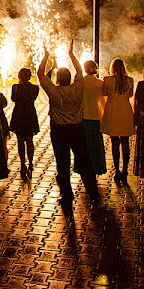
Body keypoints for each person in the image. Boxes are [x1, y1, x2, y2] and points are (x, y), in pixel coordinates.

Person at [37, 46, 100, 206]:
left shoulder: (53, 91)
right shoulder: (77, 88)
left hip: (59, 130)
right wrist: (72, 54)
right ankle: (93, 191)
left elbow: (40, 75)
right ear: (69, 77)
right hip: (77, 129)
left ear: (57, 79)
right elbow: (79, 71)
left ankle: (67, 195)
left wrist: (45, 56)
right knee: (84, 160)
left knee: (62, 162)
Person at [101, 58, 135, 184]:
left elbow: (104, 93)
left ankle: (117, 170)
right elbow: (130, 95)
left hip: (113, 110)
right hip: (125, 111)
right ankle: (125, 169)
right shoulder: (130, 80)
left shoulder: (108, 80)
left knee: (115, 143)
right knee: (125, 142)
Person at [9, 68, 39, 181]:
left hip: (19, 114)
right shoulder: (35, 88)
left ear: (19, 76)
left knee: (20, 140)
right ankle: (31, 162)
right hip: (30, 114)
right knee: (29, 140)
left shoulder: (15, 87)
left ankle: (22, 163)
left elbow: (13, 99)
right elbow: (33, 98)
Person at [79, 60, 107, 179]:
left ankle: (82, 167)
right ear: (92, 69)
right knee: (95, 144)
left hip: (83, 115)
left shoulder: (81, 82)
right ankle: (96, 166)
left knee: (83, 144)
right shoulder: (99, 83)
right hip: (95, 115)